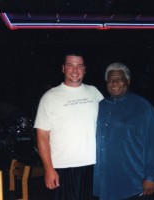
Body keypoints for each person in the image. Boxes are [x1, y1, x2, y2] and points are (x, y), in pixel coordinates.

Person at [34, 52, 104, 200]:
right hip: (63, 168)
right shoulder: (50, 97)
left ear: (85, 70)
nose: (75, 70)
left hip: (94, 166)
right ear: (63, 69)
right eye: (70, 65)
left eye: (79, 66)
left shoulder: (94, 92)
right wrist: (48, 169)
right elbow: (42, 136)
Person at [93, 62, 154, 200]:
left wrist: (151, 176)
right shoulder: (100, 106)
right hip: (104, 182)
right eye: (110, 79)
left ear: (128, 81)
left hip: (132, 182)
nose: (114, 83)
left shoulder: (143, 108)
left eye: (119, 79)